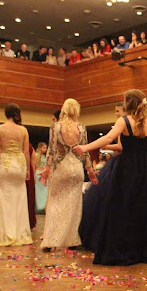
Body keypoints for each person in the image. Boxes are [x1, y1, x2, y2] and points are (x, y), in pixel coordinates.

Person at [75, 90, 147, 265]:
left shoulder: (124, 121)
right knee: (142, 208)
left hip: (126, 169)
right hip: (145, 170)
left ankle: (122, 249)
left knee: (122, 208)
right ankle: (141, 251)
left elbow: (109, 137)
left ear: (127, 103)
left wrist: (86, 147)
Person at [40, 99, 97, 251]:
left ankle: (51, 240)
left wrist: (46, 170)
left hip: (60, 168)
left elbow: (52, 151)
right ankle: (71, 240)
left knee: (55, 204)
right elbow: (85, 152)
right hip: (76, 169)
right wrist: (90, 170)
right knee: (73, 206)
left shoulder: (56, 127)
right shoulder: (81, 128)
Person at [0, 103, 32, 246]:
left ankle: (4, 233)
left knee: (4, 198)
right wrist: (27, 169)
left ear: (5, 113)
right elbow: (26, 152)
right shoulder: (23, 130)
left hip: (5, 164)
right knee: (19, 198)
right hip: (19, 164)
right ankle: (20, 233)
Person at [34, 142, 48, 213]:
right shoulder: (36, 155)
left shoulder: (44, 156)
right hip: (38, 174)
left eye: (46, 148)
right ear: (40, 148)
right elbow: (34, 166)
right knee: (38, 191)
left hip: (43, 174)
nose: (45, 149)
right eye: (44, 148)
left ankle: (43, 206)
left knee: (45, 191)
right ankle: (39, 207)